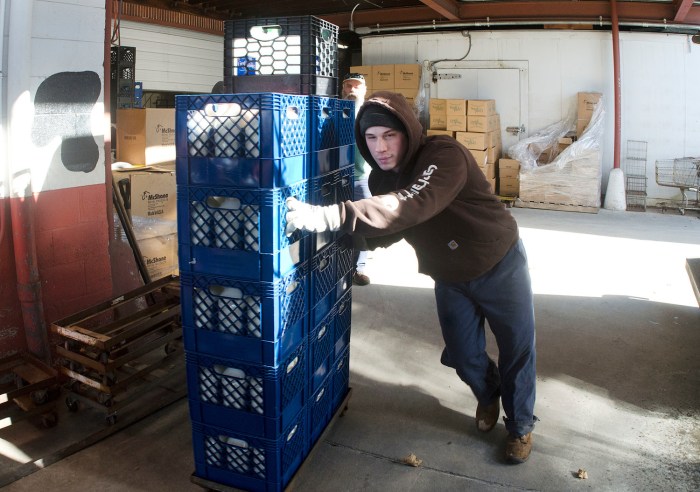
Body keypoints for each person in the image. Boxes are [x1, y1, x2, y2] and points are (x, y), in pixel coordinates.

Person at [286, 91, 538, 464]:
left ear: (407, 129)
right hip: (450, 275)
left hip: (499, 262)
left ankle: (520, 426)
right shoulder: (381, 182)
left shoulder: (444, 155)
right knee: (465, 355)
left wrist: (333, 215)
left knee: (516, 348)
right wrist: (335, 241)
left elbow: (411, 203)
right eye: (371, 138)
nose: (381, 148)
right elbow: (391, 229)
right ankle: (488, 395)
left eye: (389, 135)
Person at [341, 73, 372, 286]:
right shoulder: (331, 112)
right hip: (332, 179)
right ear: (343, 89)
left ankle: (358, 269)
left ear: (364, 90)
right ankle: (337, 266)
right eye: (348, 86)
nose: (352, 90)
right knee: (336, 222)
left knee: (362, 225)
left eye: (356, 86)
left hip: (361, 179)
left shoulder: (369, 115)